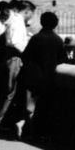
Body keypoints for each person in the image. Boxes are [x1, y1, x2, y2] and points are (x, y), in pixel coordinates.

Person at [15, 11, 65, 139]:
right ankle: (38, 132)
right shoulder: (58, 40)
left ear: (42, 22)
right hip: (49, 78)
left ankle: (25, 127)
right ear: (55, 24)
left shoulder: (36, 38)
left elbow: (25, 56)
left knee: (30, 106)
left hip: (33, 76)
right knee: (44, 107)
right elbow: (62, 60)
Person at [0, 0, 35, 131]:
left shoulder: (13, 20)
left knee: (7, 90)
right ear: (27, 11)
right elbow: (16, 42)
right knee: (10, 92)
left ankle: (0, 120)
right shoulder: (18, 22)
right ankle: (0, 122)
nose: (32, 17)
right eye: (31, 14)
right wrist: (27, 53)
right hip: (15, 58)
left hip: (8, 57)